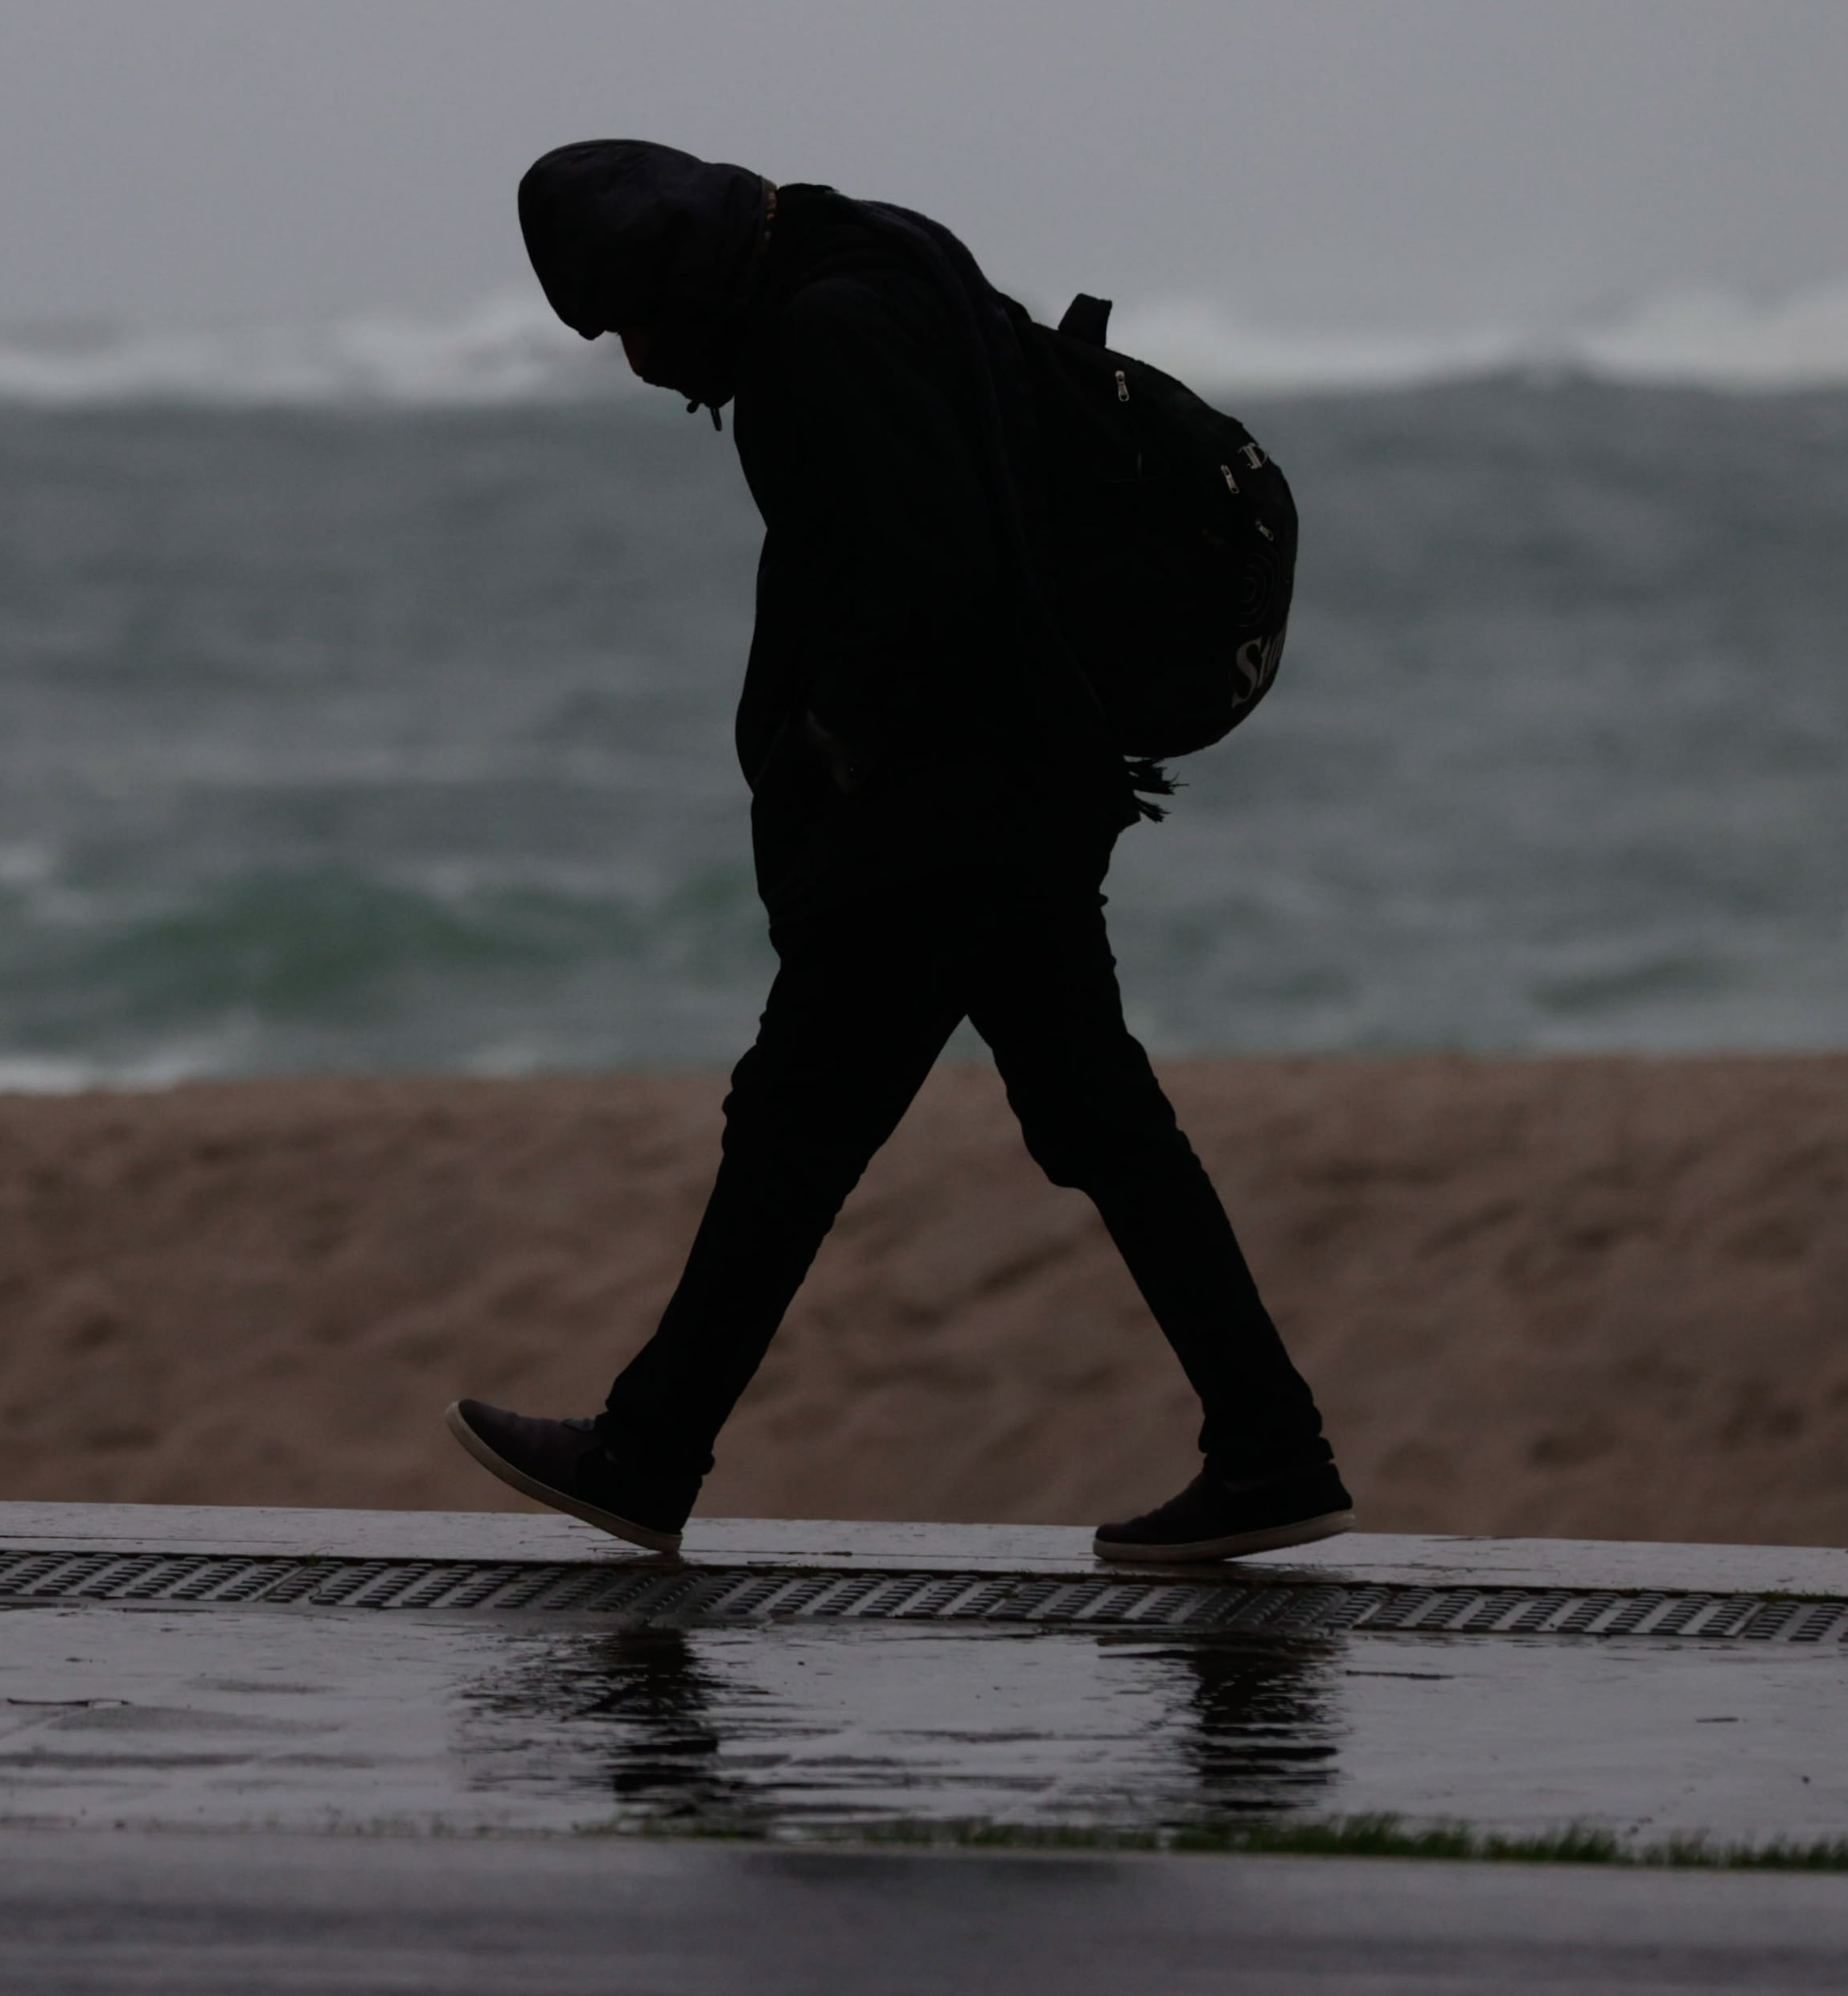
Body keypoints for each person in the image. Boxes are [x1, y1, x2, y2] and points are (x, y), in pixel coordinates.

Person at [447, 139, 1353, 1567]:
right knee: (1087, 1122)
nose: (636, 361)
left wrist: (830, 757)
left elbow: (923, 580)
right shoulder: (867, 249)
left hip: (951, 808)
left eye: (627, 319)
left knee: (799, 1129)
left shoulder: (820, 335)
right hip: (1026, 778)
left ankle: (649, 1449)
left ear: (674, 275)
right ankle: (1270, 1447)